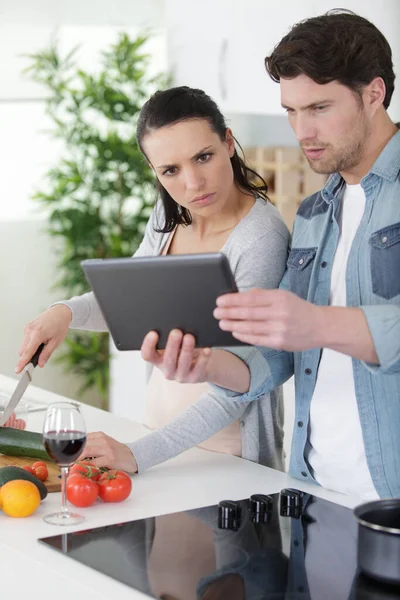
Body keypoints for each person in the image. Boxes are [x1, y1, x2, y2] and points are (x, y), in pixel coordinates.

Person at [141, 10, 400, 500]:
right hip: (315, 491)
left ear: (374, 94)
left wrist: (318, 323)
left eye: (319, 108)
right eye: (291, 111)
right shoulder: (313, 215)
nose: (302, 131)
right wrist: (209, 365)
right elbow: (278, 358)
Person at [16, 86, 289, 473]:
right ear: (155, 171)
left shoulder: (260, 237)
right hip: (162, 440)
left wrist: (138, 454)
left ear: (228, 142)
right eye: (171, 170)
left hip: (229, 456)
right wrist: (64, 313)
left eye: (204, 157)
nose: (192, 183)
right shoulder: (168, 219)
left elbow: (239, 384)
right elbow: (131, 303)